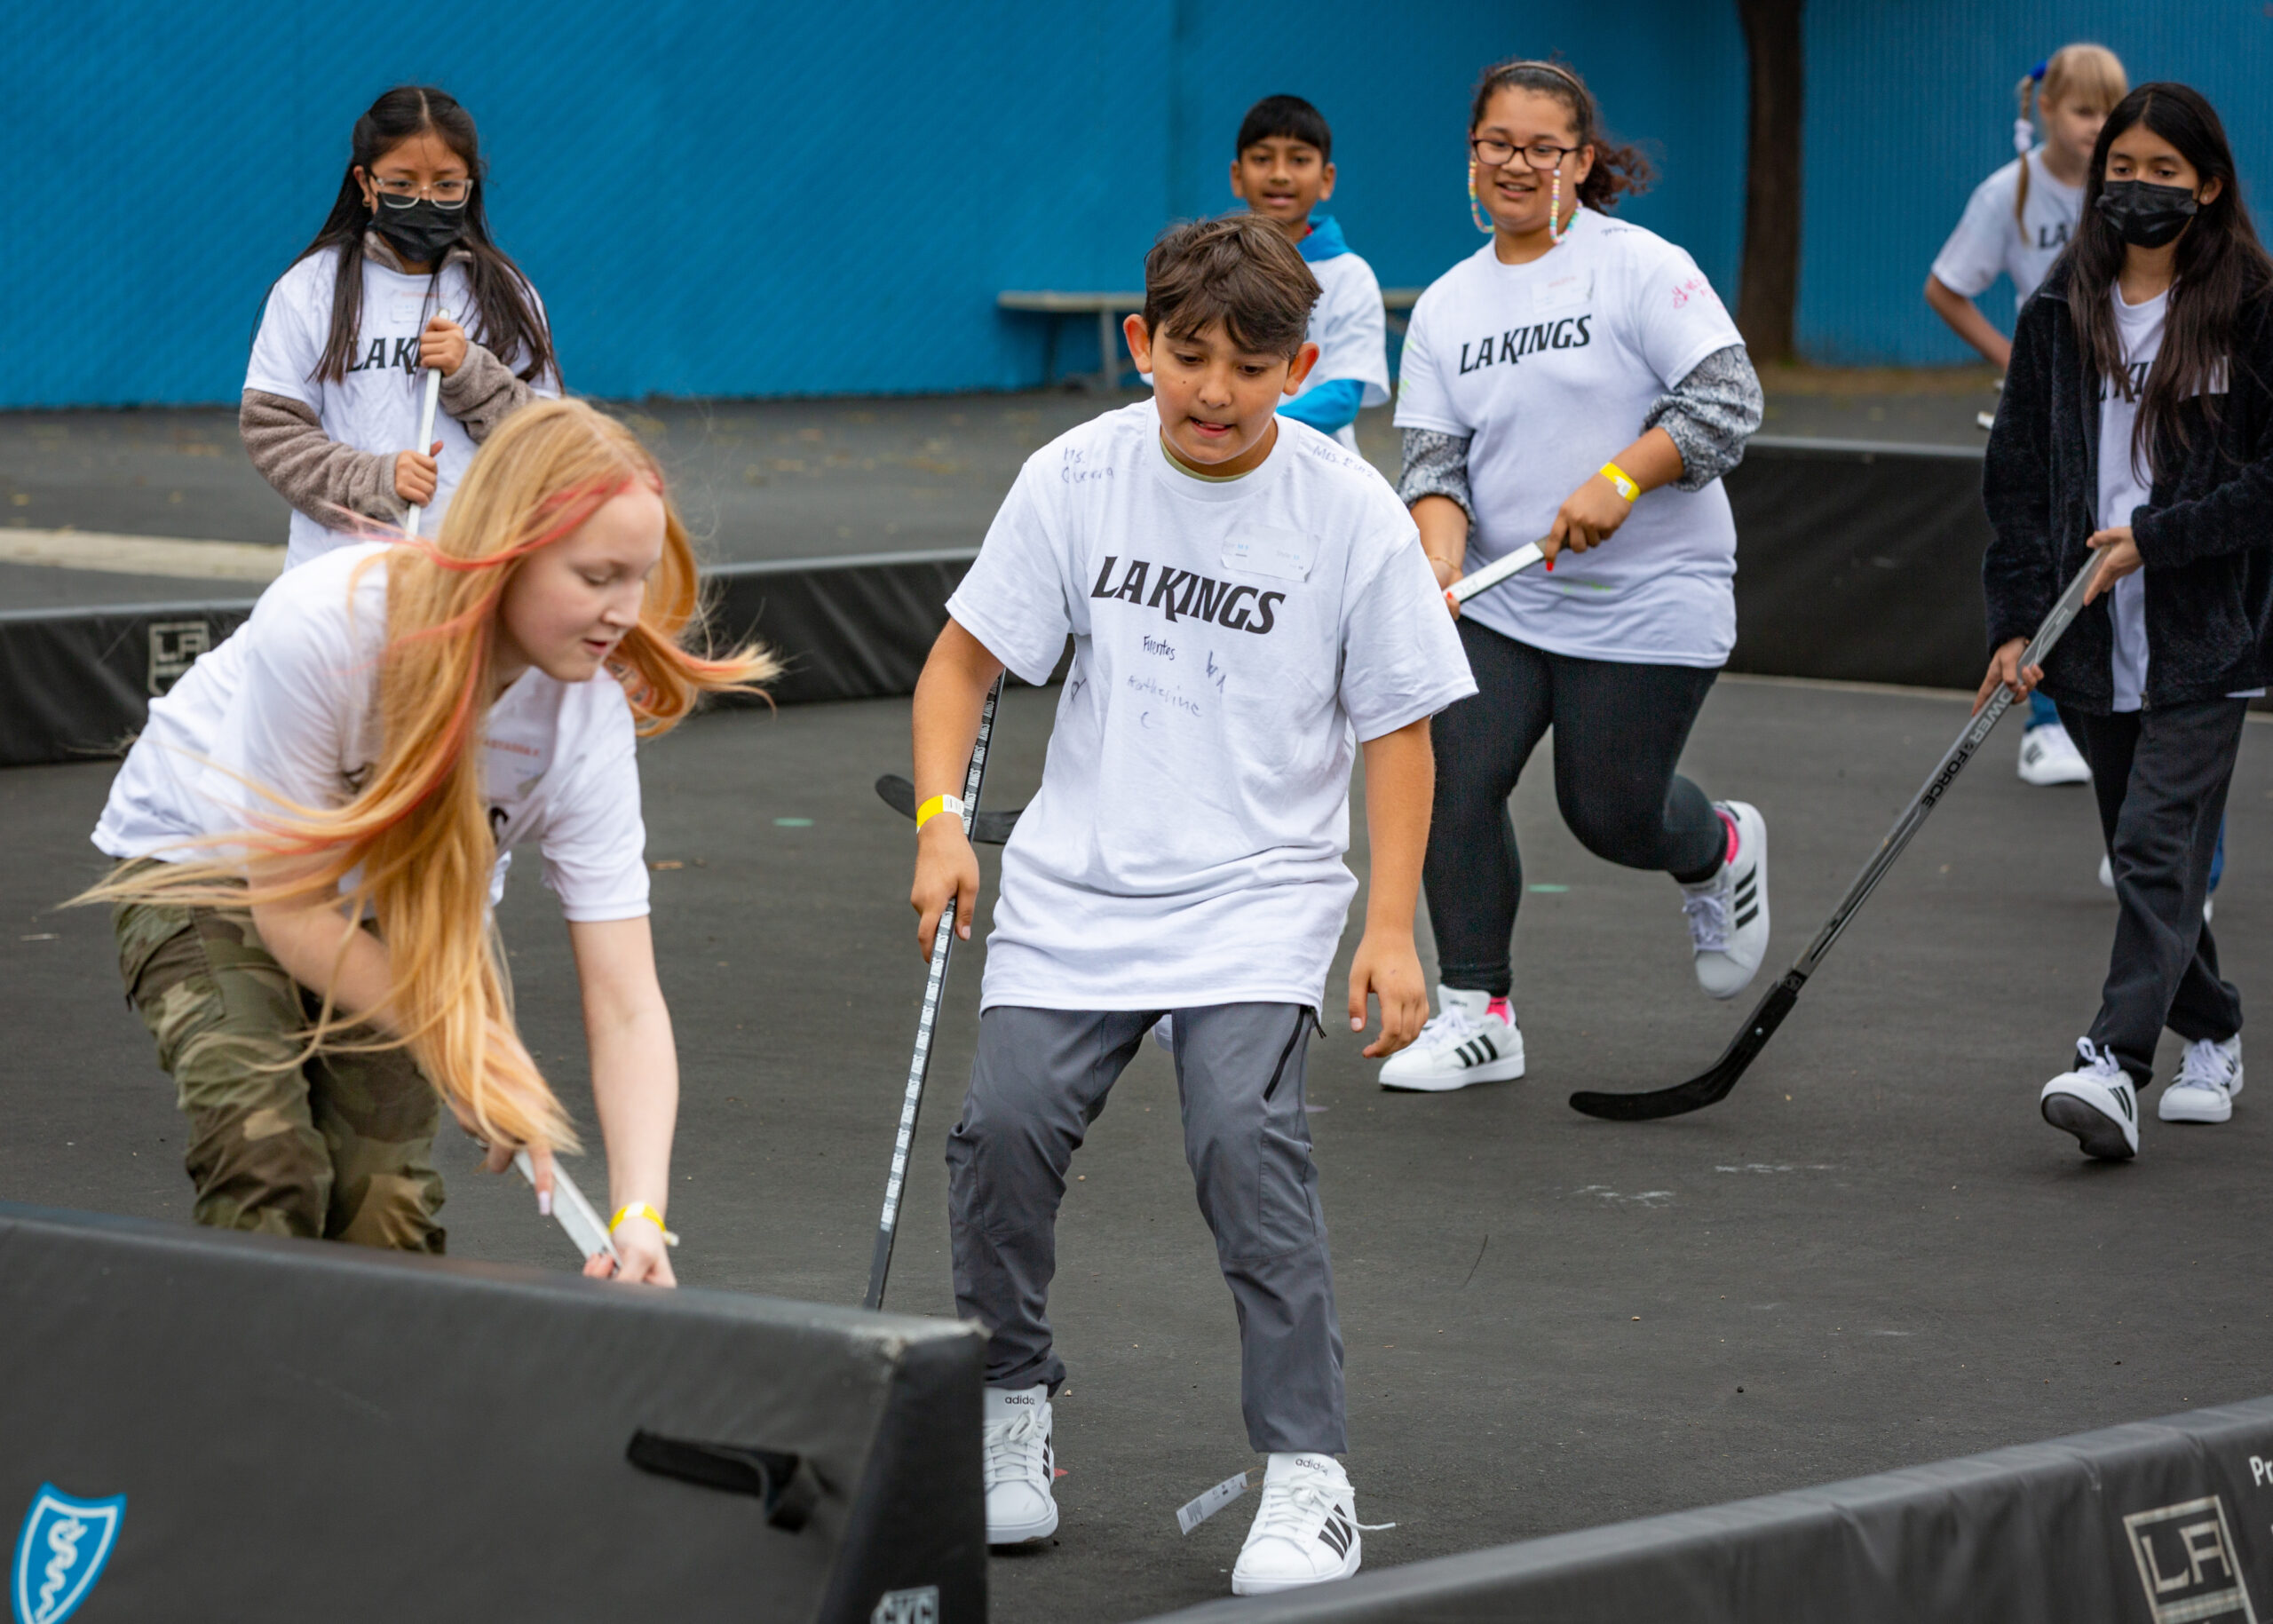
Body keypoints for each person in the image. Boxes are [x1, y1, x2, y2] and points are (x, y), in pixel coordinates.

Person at [907, 215, 1472, 1593]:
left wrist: (1389, 925)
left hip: (1256, 889)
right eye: (1192, 356)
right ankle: (1011, 1403)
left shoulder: (1347, 511)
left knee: (1242, 1135)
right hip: (1078, 878)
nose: (1217, 391)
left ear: (1301, 366)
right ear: (1141, 345)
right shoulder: (1075, 475)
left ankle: (1307, 1472)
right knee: (1002, 1135)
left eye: (1254, 361)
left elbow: (1401, 734)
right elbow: (958, 668)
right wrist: (939, 828)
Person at [79, 400, 773, 1277]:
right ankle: (241, 1398)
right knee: (268, 1161)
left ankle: (362, 1406)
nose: (622, 612)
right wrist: (470, 1054)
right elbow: (290, 910)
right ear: (505, 551)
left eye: (636, 578)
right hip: (208, 863)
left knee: (384, 1211)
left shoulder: (584, 715)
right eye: (596, 575)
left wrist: (639, 1217)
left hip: (390, 903)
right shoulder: (333, 625)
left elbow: (628, 999)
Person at [1378, 58, 1766, 1093]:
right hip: (1507, 599)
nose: (1515, 163)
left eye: (1541, 147)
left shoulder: (1639, 266)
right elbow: (1433, 464)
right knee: (1448, 779)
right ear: (1472, 156)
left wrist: (1620, 479)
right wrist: (1441, 555)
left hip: (1653, 595)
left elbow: (1727, 401)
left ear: (1581, 161)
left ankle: (1716, 845)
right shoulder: (1448, 307)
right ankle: (1479, 1011)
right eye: (1495, 143)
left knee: (1610, 813)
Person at [1978, 83, 2271, 1160]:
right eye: (2121, 168)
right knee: (2142, 851)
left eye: (2162, 171)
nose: (2137, 188)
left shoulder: (2251, 306)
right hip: (2087, 631)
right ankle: (2217, 1026)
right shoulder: (2060, 309)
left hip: (2206, 630)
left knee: (2153, 852)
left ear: (2207, 184)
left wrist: (2160, 536)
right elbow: (2015, 477)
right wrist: (2015, 623)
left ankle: (2110, 1064)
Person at [242, 85, 559, 570]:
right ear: (366, 185)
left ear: (471, 185)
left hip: (472, 574)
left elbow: (552, 441)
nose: (424, 200)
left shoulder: (508, 294)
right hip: (337, 579)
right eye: (402, 184)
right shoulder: (309, 288)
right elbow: (273, 431)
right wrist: (375, 480)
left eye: (446, 185)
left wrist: (472, 376)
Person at [1928, 44, 2128, 787]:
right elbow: (1947, 287)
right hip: (2051, 411)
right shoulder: (2006, 194)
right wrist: (2016, 362)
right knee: (2049, 546)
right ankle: (2048, 721)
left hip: (2123, 403)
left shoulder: (2130, 187)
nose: (2097, 126)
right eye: (2083, 110)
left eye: (2108, 110)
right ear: (2045, 110)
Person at [1229, 94, 1390, 452]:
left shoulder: (1350, 275)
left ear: (1326, 179)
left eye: (1299, 159)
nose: (1280, 174)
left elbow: (1342, 396)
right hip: (1218, 458)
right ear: (1237, 176)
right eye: (1261, 158)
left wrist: (1250, 429)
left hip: (1318, 464)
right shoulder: (1208, 267)